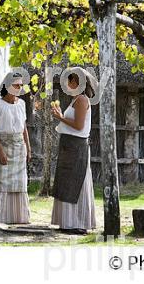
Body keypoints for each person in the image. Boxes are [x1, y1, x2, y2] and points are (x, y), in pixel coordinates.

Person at [50, 68, 97, 234]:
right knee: (65, 183)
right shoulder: (74, 100)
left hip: (77, 147)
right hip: (68, 145)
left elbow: (79, 126)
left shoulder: (82, 100)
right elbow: (72, 123)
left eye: (70, 82)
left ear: (77, 83)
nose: (67, 85)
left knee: (75, 182)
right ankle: (67, 222)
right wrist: (61, 115)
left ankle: (77, 222)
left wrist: (60, 117)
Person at [0, 71, 31, 224]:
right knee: (1, 182)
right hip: (3, 146)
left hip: (19, 148)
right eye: (16, 85)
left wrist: (28, 149)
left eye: (20, 85)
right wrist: (0, 150)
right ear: (7, 86)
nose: (19, 88)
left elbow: (24, 128)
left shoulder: (22, 104)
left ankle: (17, 217)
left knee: (19, 183)